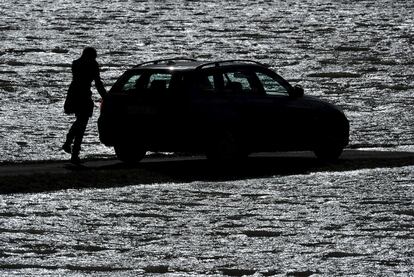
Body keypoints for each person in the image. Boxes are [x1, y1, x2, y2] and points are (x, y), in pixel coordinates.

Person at [62, 47, 106, 164]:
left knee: (80, 122)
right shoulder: (93, 65)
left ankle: (71, 147)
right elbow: (98, 83)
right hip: (84, 96)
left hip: (73, 94)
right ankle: (72, 149)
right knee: (82, 123)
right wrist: (106, 97)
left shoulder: (76, 63)